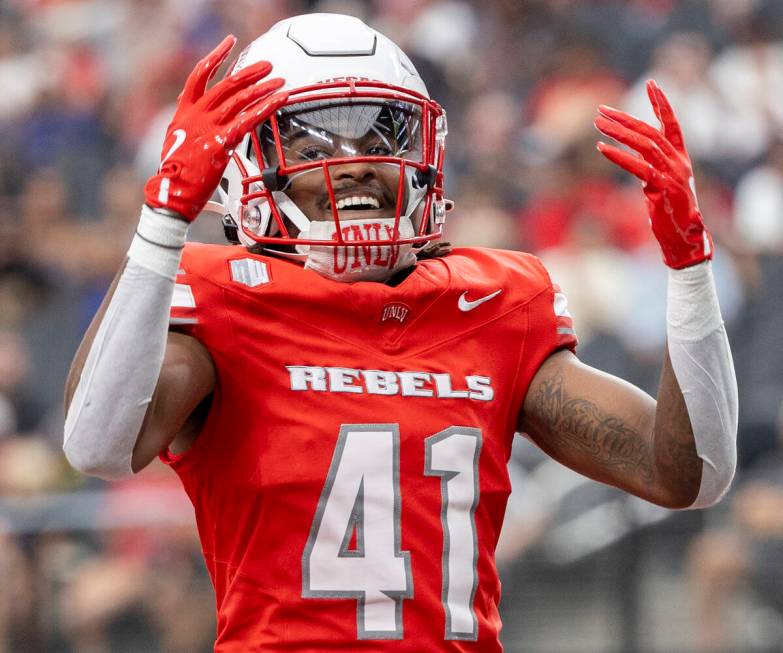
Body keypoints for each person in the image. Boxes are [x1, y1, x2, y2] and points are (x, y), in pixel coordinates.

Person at [62, 13, 738, 652]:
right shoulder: (222, 296)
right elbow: (98, 444)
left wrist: (689, 264)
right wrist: (161, 221)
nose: (355, 161)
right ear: (242, 170)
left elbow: (686, 473)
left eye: (380, 138)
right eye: (311, 140)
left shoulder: (491, 302)